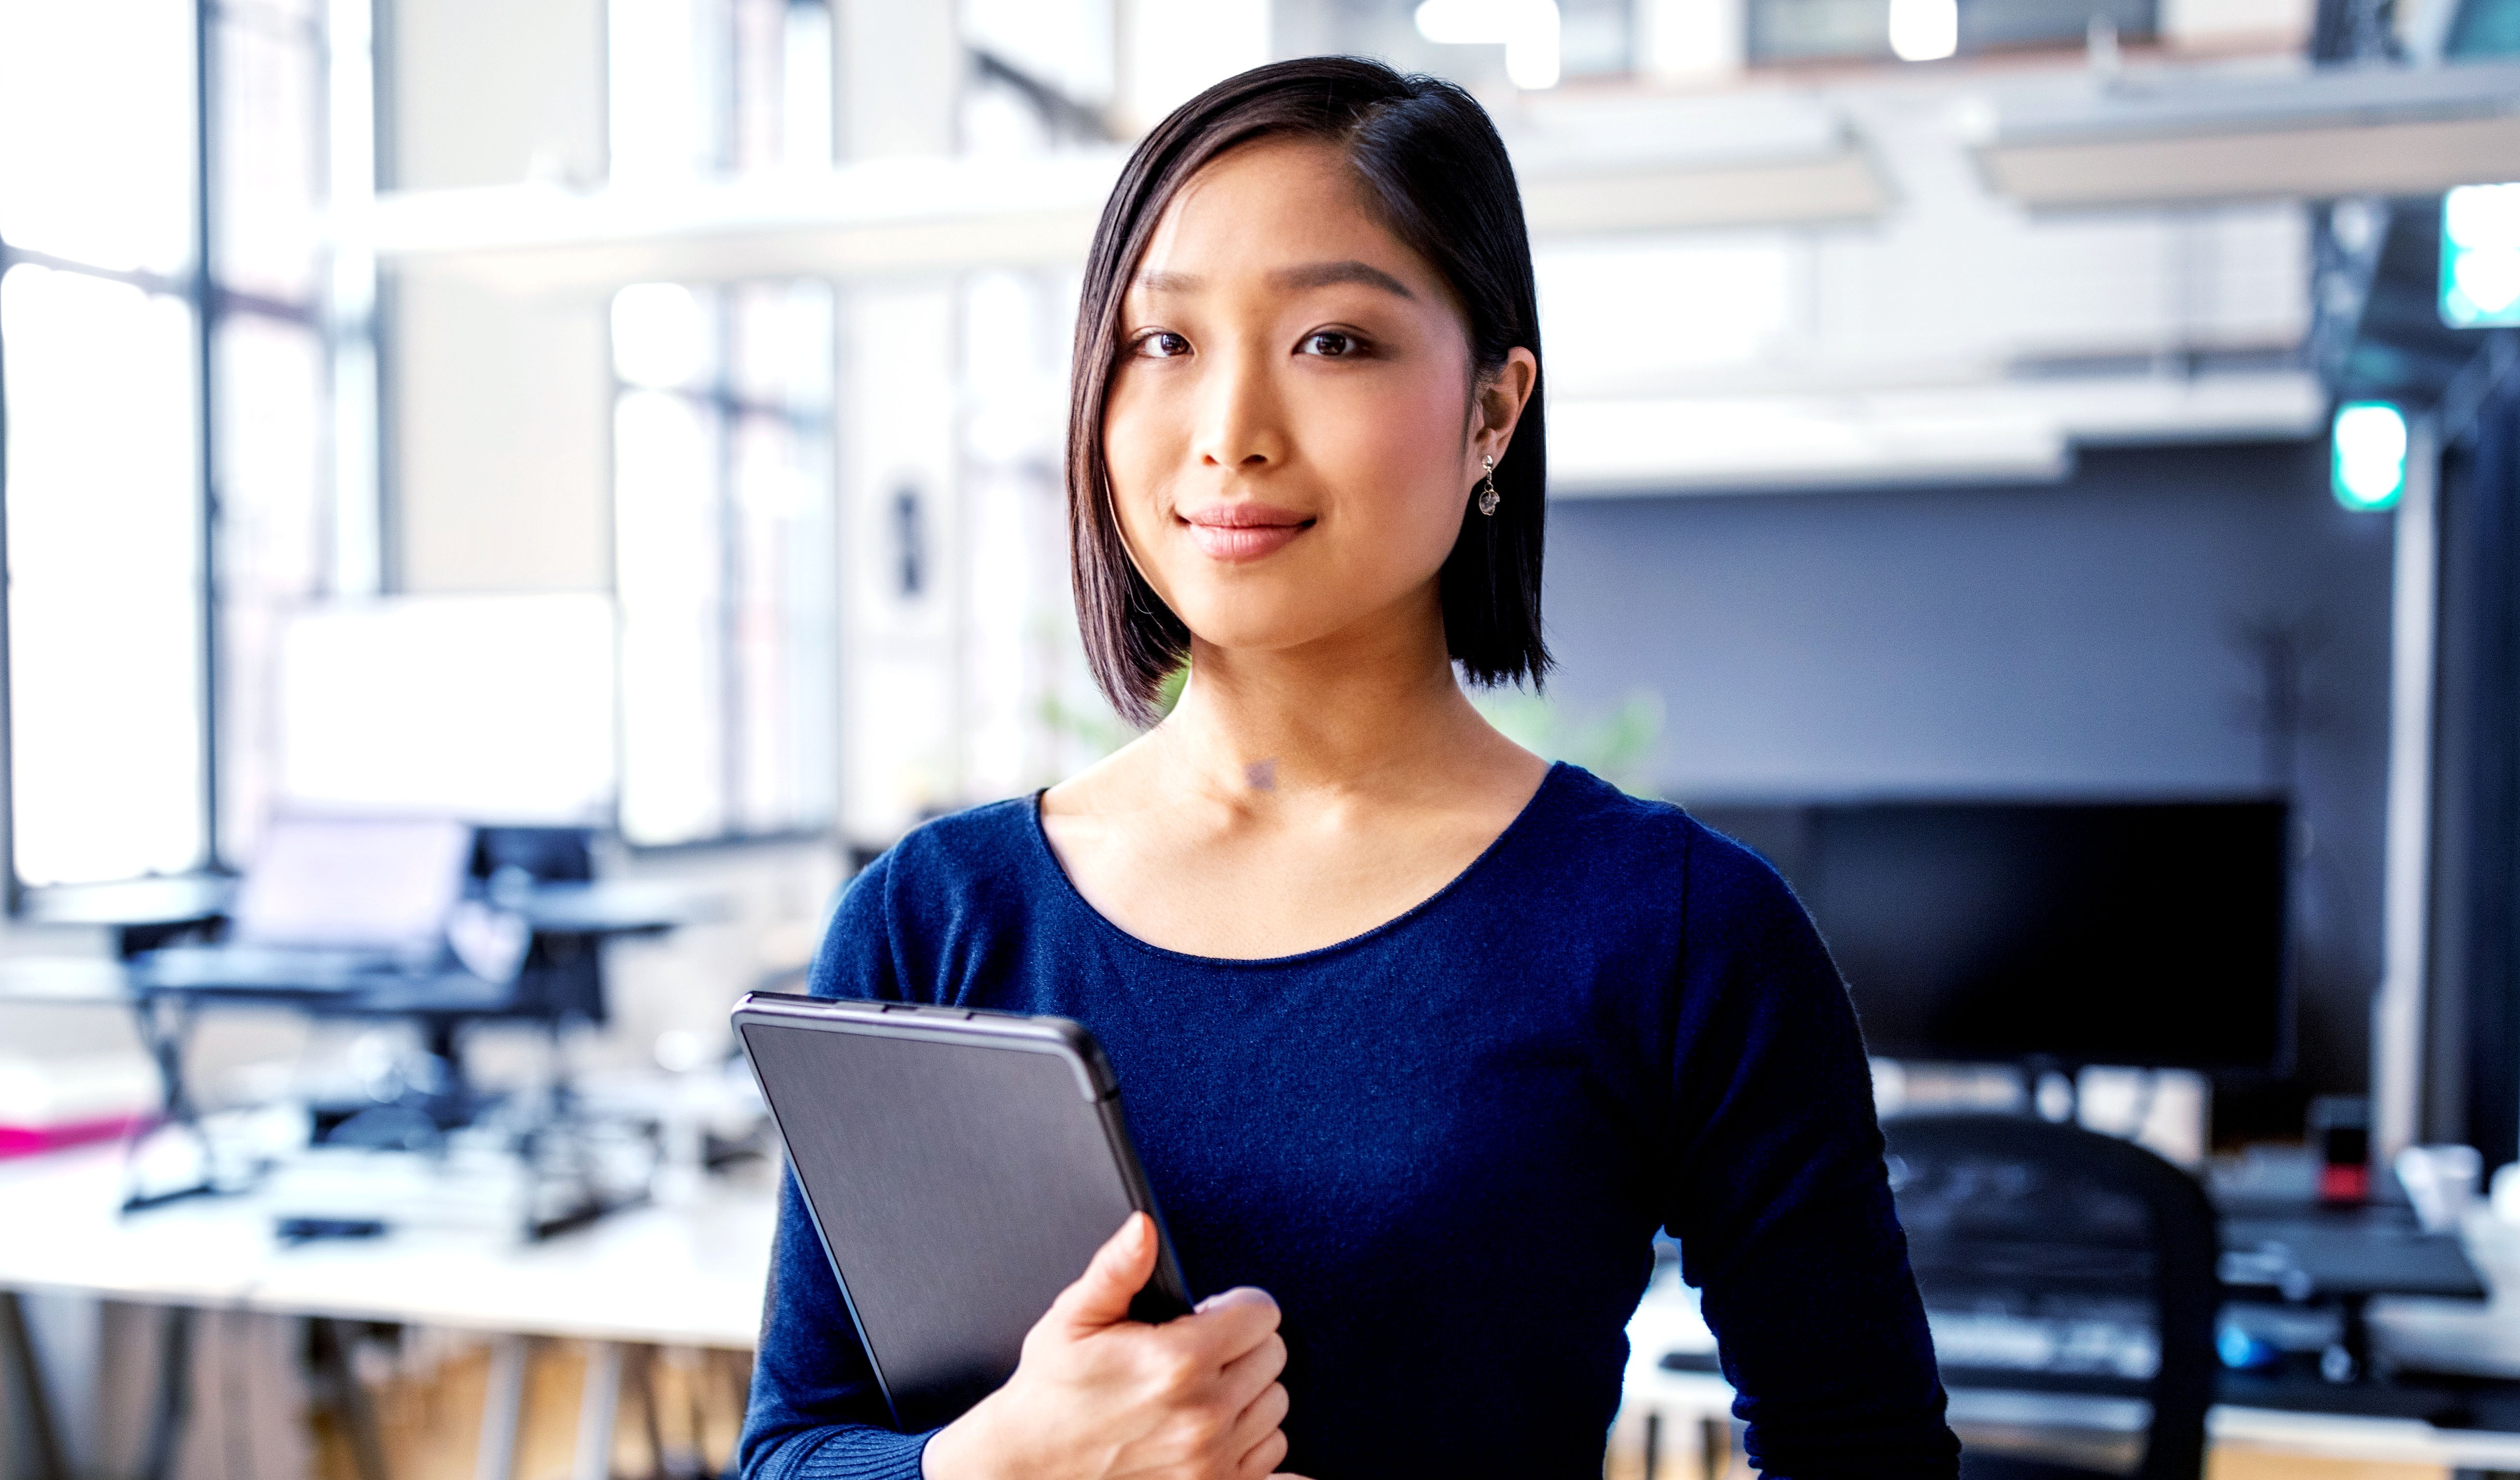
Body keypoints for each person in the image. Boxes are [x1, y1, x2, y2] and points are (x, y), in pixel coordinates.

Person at [738, 56, 1958, 1480]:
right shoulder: (933, 919)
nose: (1231, 430)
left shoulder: (1683, 933)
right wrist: (981, 1469)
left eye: (1332, 342)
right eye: (1163, 343)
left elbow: (1863, 1461)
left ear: (1494, 412)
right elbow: (790, 1454)